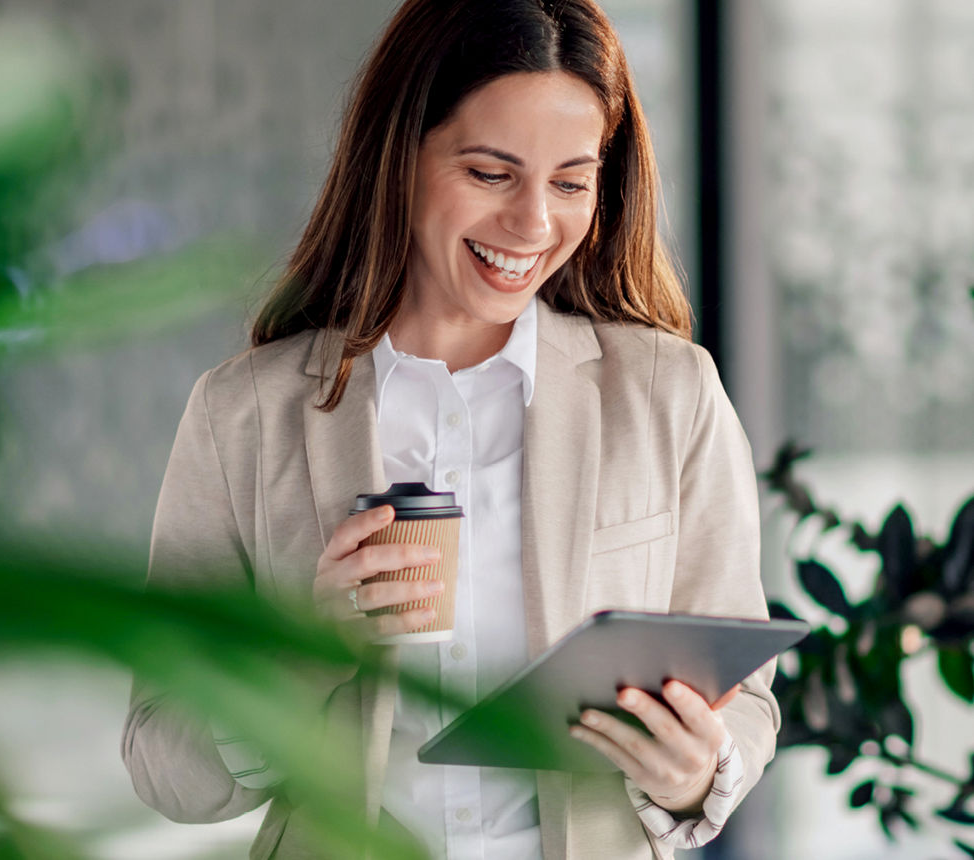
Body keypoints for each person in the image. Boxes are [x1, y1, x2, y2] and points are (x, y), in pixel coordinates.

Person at [122, 0, 779, 857]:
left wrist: (699, 773)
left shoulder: (668, 393)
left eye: (571, 182)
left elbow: (750, 703)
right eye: (490, 173)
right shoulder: (245, 414)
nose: (534, 225)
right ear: (401, 157)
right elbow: (163, 765)